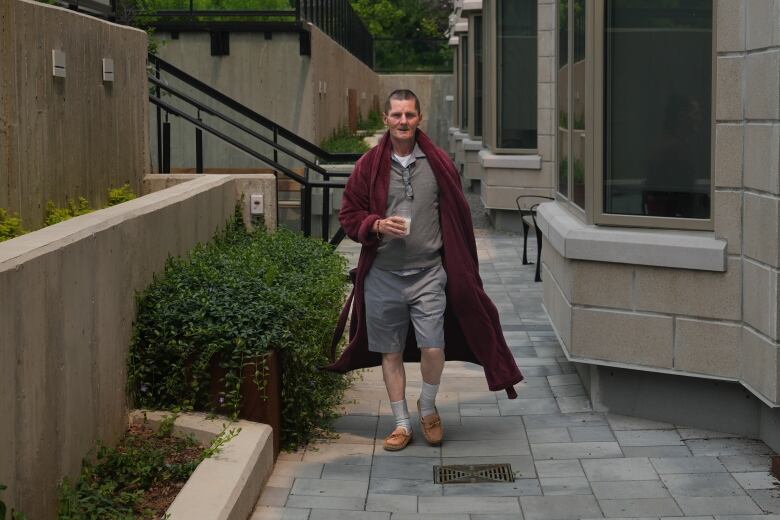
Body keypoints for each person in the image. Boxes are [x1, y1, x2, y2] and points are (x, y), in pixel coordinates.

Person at [326, 89, 523, 451]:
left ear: (419, 118)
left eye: (409, 115)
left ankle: (428, 407)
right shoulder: (369, 166)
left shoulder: (438, 164)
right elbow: (349, 215)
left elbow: (458, 216)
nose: (403, 122)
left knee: (434, 348)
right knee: (390, 352)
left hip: (429, 273)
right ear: (385, 119)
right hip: (382, 276)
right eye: (396, 115)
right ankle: (401, 423)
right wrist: (375, 224)